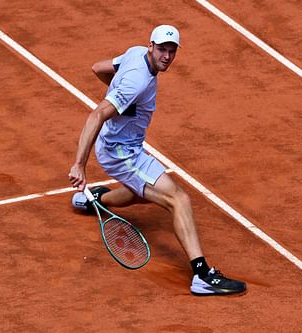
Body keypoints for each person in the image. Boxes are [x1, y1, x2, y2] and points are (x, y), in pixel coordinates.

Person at [68, 25, 246, 296]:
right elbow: (97, 115)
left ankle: (94, 200)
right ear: (151, 46)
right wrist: (79, 164)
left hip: (124, 145)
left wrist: (125, 103)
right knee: (178, 199)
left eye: (171, 51)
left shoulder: (135, 53)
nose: (166, 56)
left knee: (142, 194)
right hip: (122, 152)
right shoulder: (136, 82)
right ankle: (202, 275)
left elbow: (98, 68)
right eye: (162, 49)